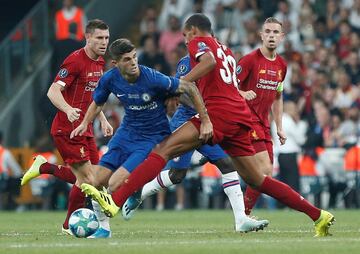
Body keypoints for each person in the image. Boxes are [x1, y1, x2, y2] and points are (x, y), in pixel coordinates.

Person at [81, 14, 335, 237]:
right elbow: (222, 75)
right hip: (239, 116)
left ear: (193, 31)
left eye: (184, 35)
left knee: (163, 150)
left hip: (219, 113)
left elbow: (208, 62)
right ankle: (318, 215)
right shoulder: (226, 49)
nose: (184, 40)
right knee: (257, 179)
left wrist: (179, 85)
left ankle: (115, 201)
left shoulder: (198, 43)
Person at [68, 37, 211, 235]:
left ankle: (136, 190)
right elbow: (97, 102)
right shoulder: (109, 79)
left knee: (114, 183)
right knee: (96, 181)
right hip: (126, 133)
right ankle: (103, 228)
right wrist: (85, 123)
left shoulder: (152, 77)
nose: (133, 62)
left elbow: (189, 87)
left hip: (152, 138)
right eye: (127, 59)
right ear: (115, 63)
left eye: (134, 57)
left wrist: (205, 118)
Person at [122, 54, 269, 232]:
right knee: (177, 175)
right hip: (186, 121)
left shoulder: (220, 61)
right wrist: (202, 107)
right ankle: (141, 191)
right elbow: (179, 91)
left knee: (227, 164)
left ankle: (241, 220)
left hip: (209, 120)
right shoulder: (187, 62)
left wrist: (238, 95)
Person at [21, 19, 113, 236]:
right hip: (66, 129)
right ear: (87, 37)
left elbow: (94, 96)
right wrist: (68, 109)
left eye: (107, 38)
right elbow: (53, 91)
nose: (104, 42)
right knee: (89, 180)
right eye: (99, 38)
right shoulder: (74, 61)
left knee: (94, 179)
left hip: (85, 127)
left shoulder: (100, 61)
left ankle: (45, 168)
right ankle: (73, 227)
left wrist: (102, 119)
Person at [236, 17, 287, 215]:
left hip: (265, 123)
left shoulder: (282, 65)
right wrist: (242, 93)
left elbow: (278, 97)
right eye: (267, 32)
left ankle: (244, 214)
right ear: (261, 35)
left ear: (282, 37)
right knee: (263, 170)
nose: (271, 36)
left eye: (275, 32)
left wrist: (280, 127)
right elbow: (229, 85)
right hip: (247, 120)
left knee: (267, 173)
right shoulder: (250, 60)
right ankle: (243, 214)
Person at [0, 132, 22, 210]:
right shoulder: (5, 153)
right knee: (18, 178)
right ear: (2, 140)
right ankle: (11, 202)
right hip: (2, 181)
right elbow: (17, 170)